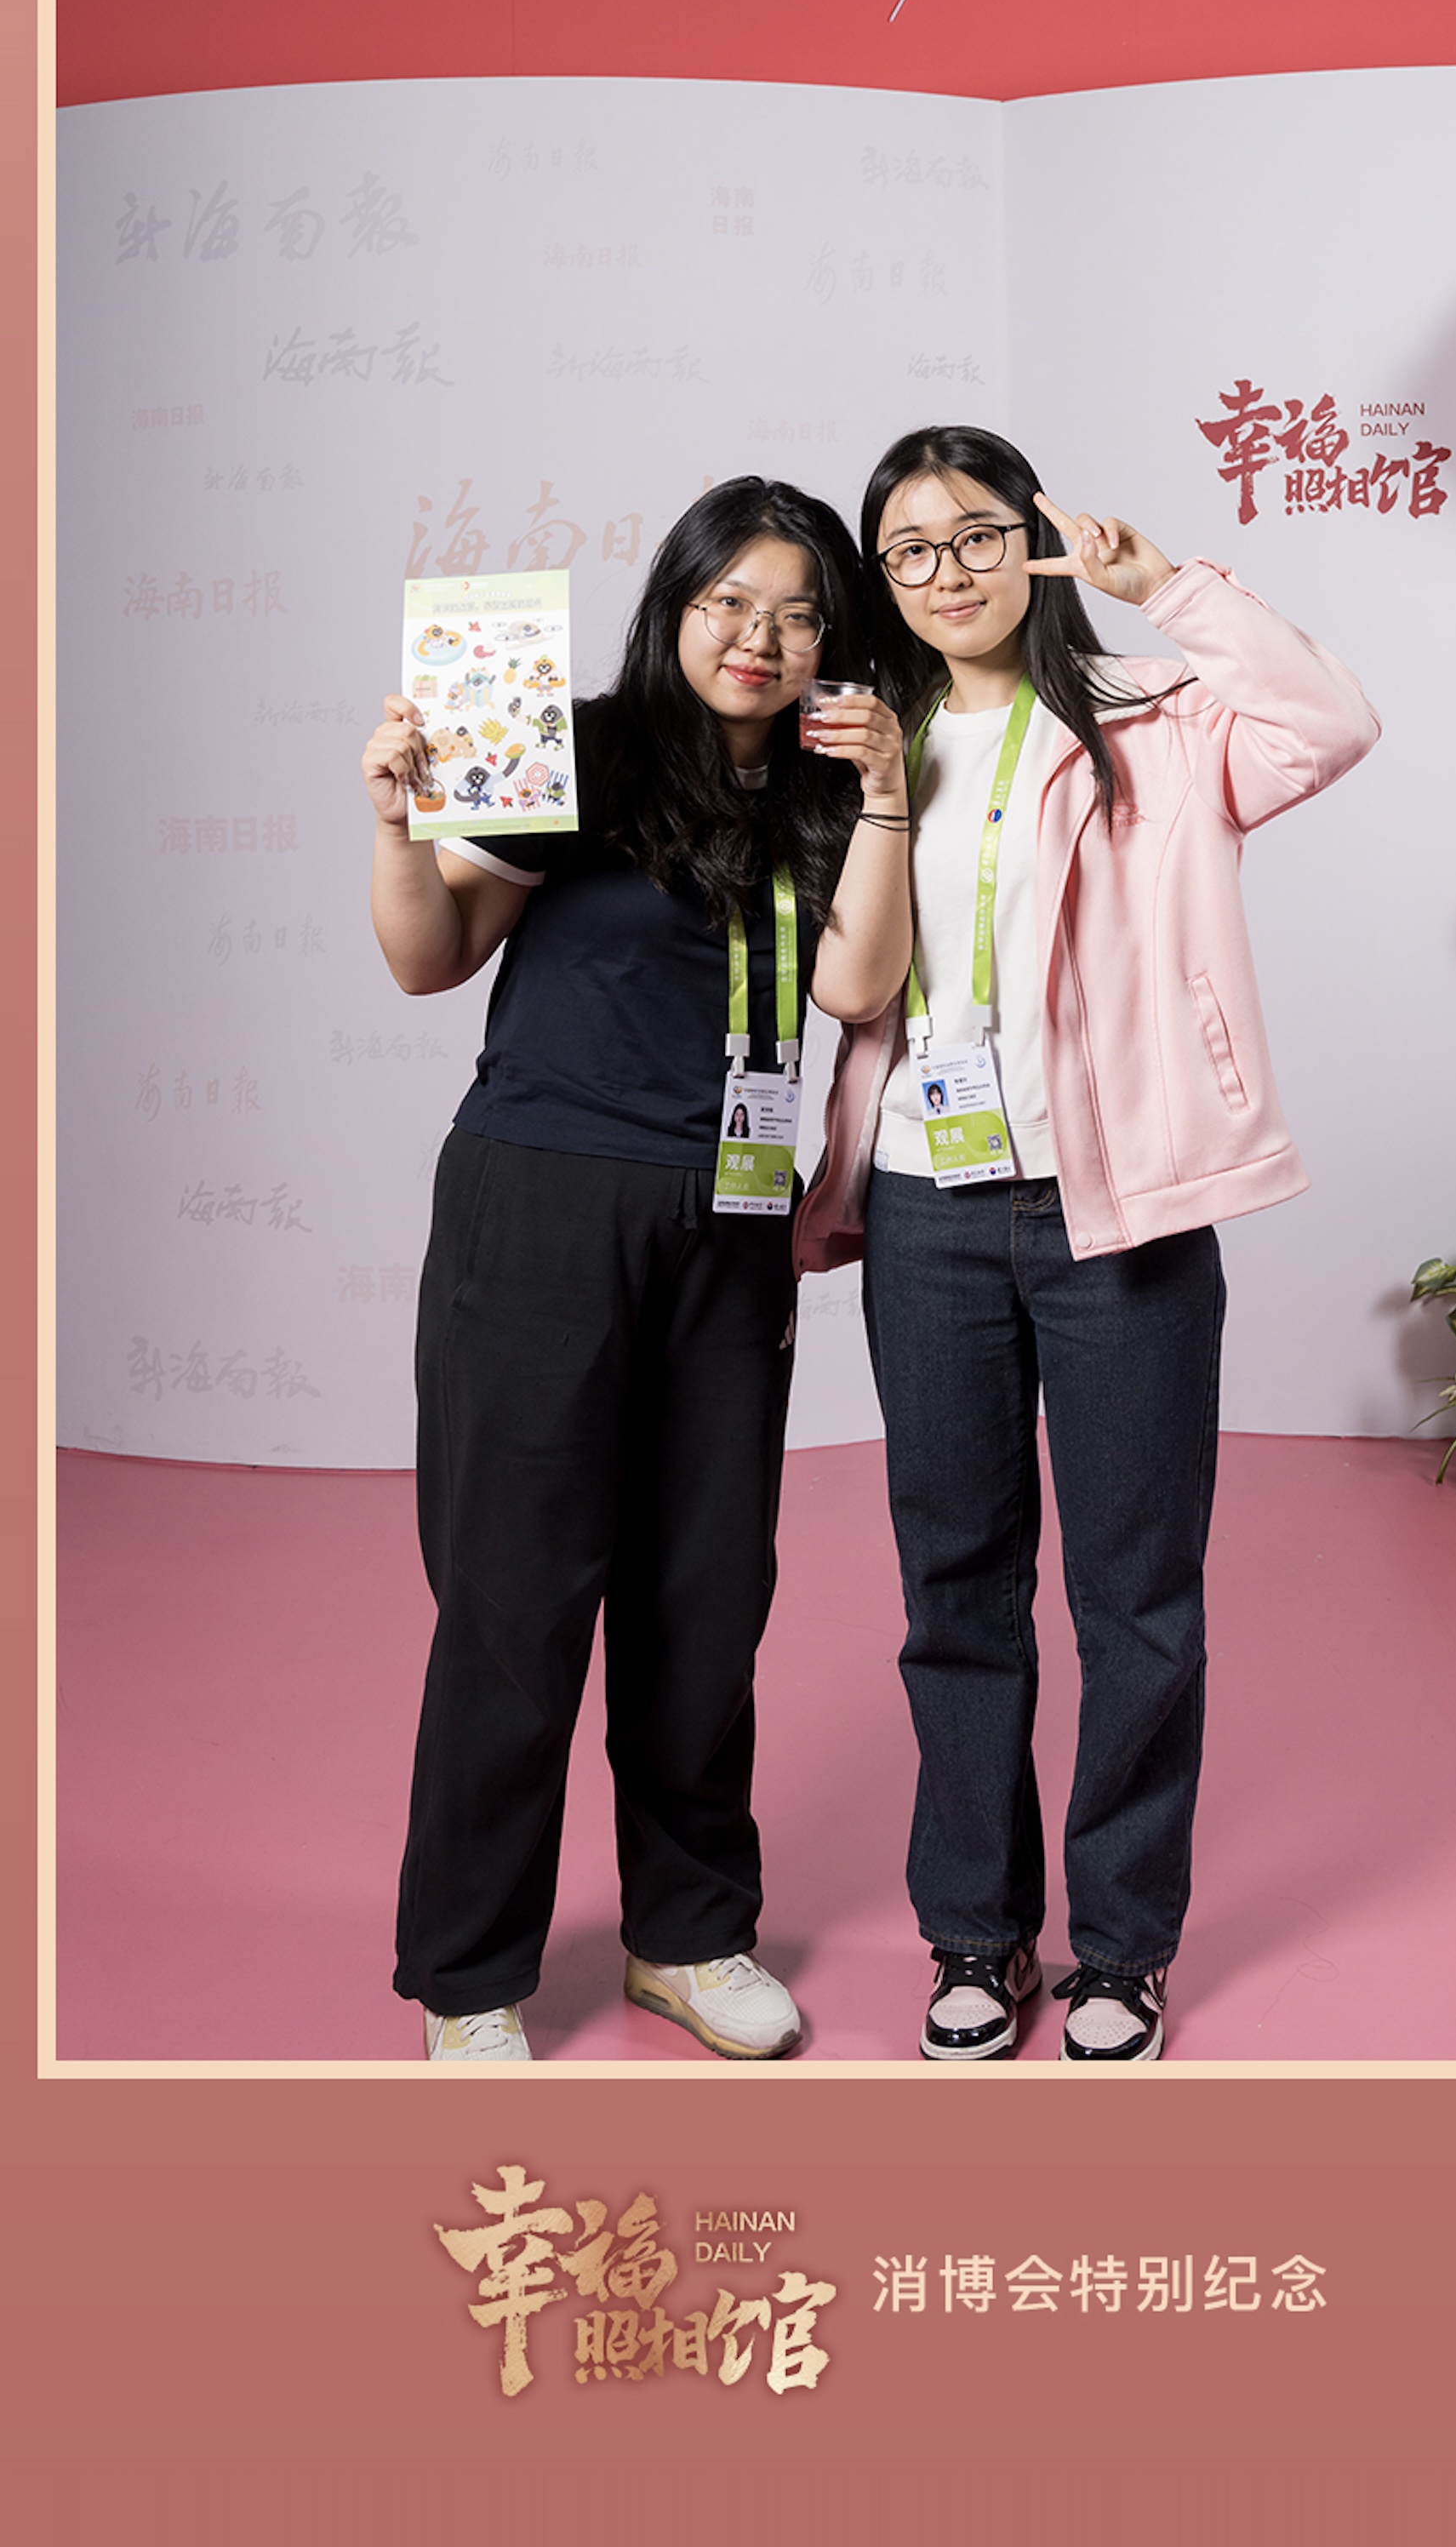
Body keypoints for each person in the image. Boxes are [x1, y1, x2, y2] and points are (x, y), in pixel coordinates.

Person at [797, 426, 1379, 2063]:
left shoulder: (1154, 715)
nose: (949, 573)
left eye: (978, 533)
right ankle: (975, 1934)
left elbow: (1333, 723)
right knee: (956, 1588)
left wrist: (1170, 586)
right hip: (927, 1207)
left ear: (1036, 537)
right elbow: (843, 973)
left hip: (1118, 1206)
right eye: (910, 551)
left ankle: (1122, 1946)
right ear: (882, 579)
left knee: (1138, 1598)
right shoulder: (869, 740)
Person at [364, 481, 910, 2062]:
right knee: (513, 1600)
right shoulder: (577, 748)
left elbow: (858, 985)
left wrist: (882, 793)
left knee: (706, 1595)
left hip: (731, 1222)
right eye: (730, 601)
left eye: (798, 613)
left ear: (832, 639)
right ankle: (469, 1974)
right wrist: (397, 826)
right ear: (675, 606)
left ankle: (688, 1934)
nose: (760, 639)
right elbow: (428, 956)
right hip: (544, 1201)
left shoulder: (830, 785)